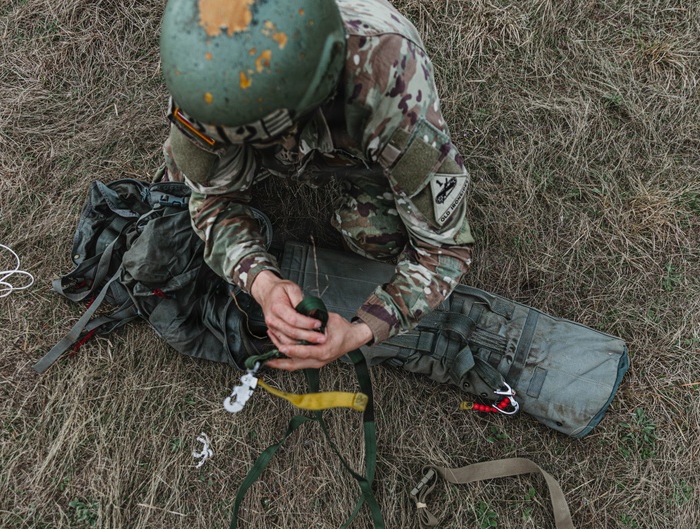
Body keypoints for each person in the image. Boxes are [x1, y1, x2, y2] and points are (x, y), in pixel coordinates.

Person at [159, 0, 473, 371]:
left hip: (352, 141)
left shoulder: (390, 84)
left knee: (375, 233)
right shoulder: (205, 78)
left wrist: (359, 331)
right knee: (185, 173)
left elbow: (443, 253)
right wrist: (263, 283)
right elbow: (212, 202)